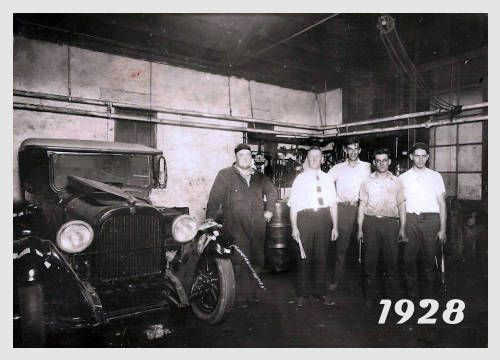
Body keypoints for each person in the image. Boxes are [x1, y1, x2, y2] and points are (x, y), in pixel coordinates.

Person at [206, 143, 278, 308]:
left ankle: (253, 295)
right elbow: (214, 199)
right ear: (236, 157)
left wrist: (269, 210)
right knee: (238, 262)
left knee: (257, 260)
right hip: (235, 227)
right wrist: (210, 219)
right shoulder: (225, 175)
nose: (245, 158)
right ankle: (238, 298)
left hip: (258, 227)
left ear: (251, 157)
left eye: (248, 155)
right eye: (241, 155)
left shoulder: (259, 176)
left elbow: (272, 192)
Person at [288, 147, 338, 307]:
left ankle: (321, 293)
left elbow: (333, 205)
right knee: (304, 257)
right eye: (311, 157)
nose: (315, 159)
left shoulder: (328, 179)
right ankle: (302, 294)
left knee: (322, 256)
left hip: (323, 219)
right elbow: (293, 206)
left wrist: (335, 226)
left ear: (322, 159)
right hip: (305, 218)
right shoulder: (300, 179)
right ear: (307, 159)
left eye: (318, 156)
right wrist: (294, 227)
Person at [357, 148, 406, 308]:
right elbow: (362, 205)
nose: (381, 163)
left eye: (384, 160)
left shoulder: (397, 181)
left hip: (391, 224)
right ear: (374, 163)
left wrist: (402, 228)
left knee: (391, 263)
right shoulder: (366, 181)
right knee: (370, 263)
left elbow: (401, 205)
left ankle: (391, 299)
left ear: (389, 162)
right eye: (378, 160)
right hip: (371, 223)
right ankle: (369, 298)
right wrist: (359, 228)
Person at [399, 142, 447, 299]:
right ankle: (411, 294)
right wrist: (402, 226)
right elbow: (401, 204)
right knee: (408, 259)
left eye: (423, 156)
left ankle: (428, 296)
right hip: (411, 219)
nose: (420, 159)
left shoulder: (435, 176)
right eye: (417, 156)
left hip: (431, 220)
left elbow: (441, 204)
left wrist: (443, 229)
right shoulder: (403, 178)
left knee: (429, 260)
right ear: (412, 157)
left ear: (427, 157)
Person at [327, 136, 371, 303]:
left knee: (364, 246)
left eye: (356, 149)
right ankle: (337, 281)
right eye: (350, 149)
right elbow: (325, 182)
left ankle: (363, 282)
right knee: (342, 247)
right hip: (343, 209)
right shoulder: (337, 168)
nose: (353, 152)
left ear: (359, 150)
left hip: (362, 208)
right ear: (345, 150)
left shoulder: (367, 167)